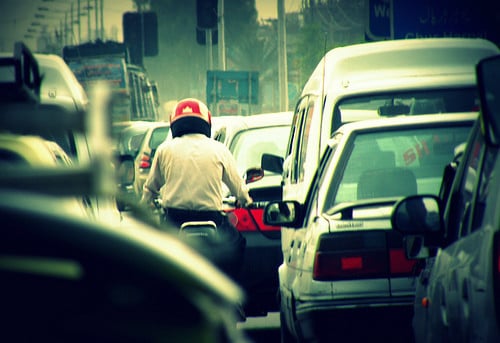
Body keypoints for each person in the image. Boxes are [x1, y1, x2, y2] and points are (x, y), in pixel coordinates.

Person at [140, 98, 253, 278]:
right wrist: (246, 201)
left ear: (174, 122)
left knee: (157, 256)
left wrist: (145, 205)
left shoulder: (164, 150)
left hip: (174, 220)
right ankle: (231, 292)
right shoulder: (219, 149)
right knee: (237, 244)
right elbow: (238, 188)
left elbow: (150, 188)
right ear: (206, 121)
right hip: (213, 220)